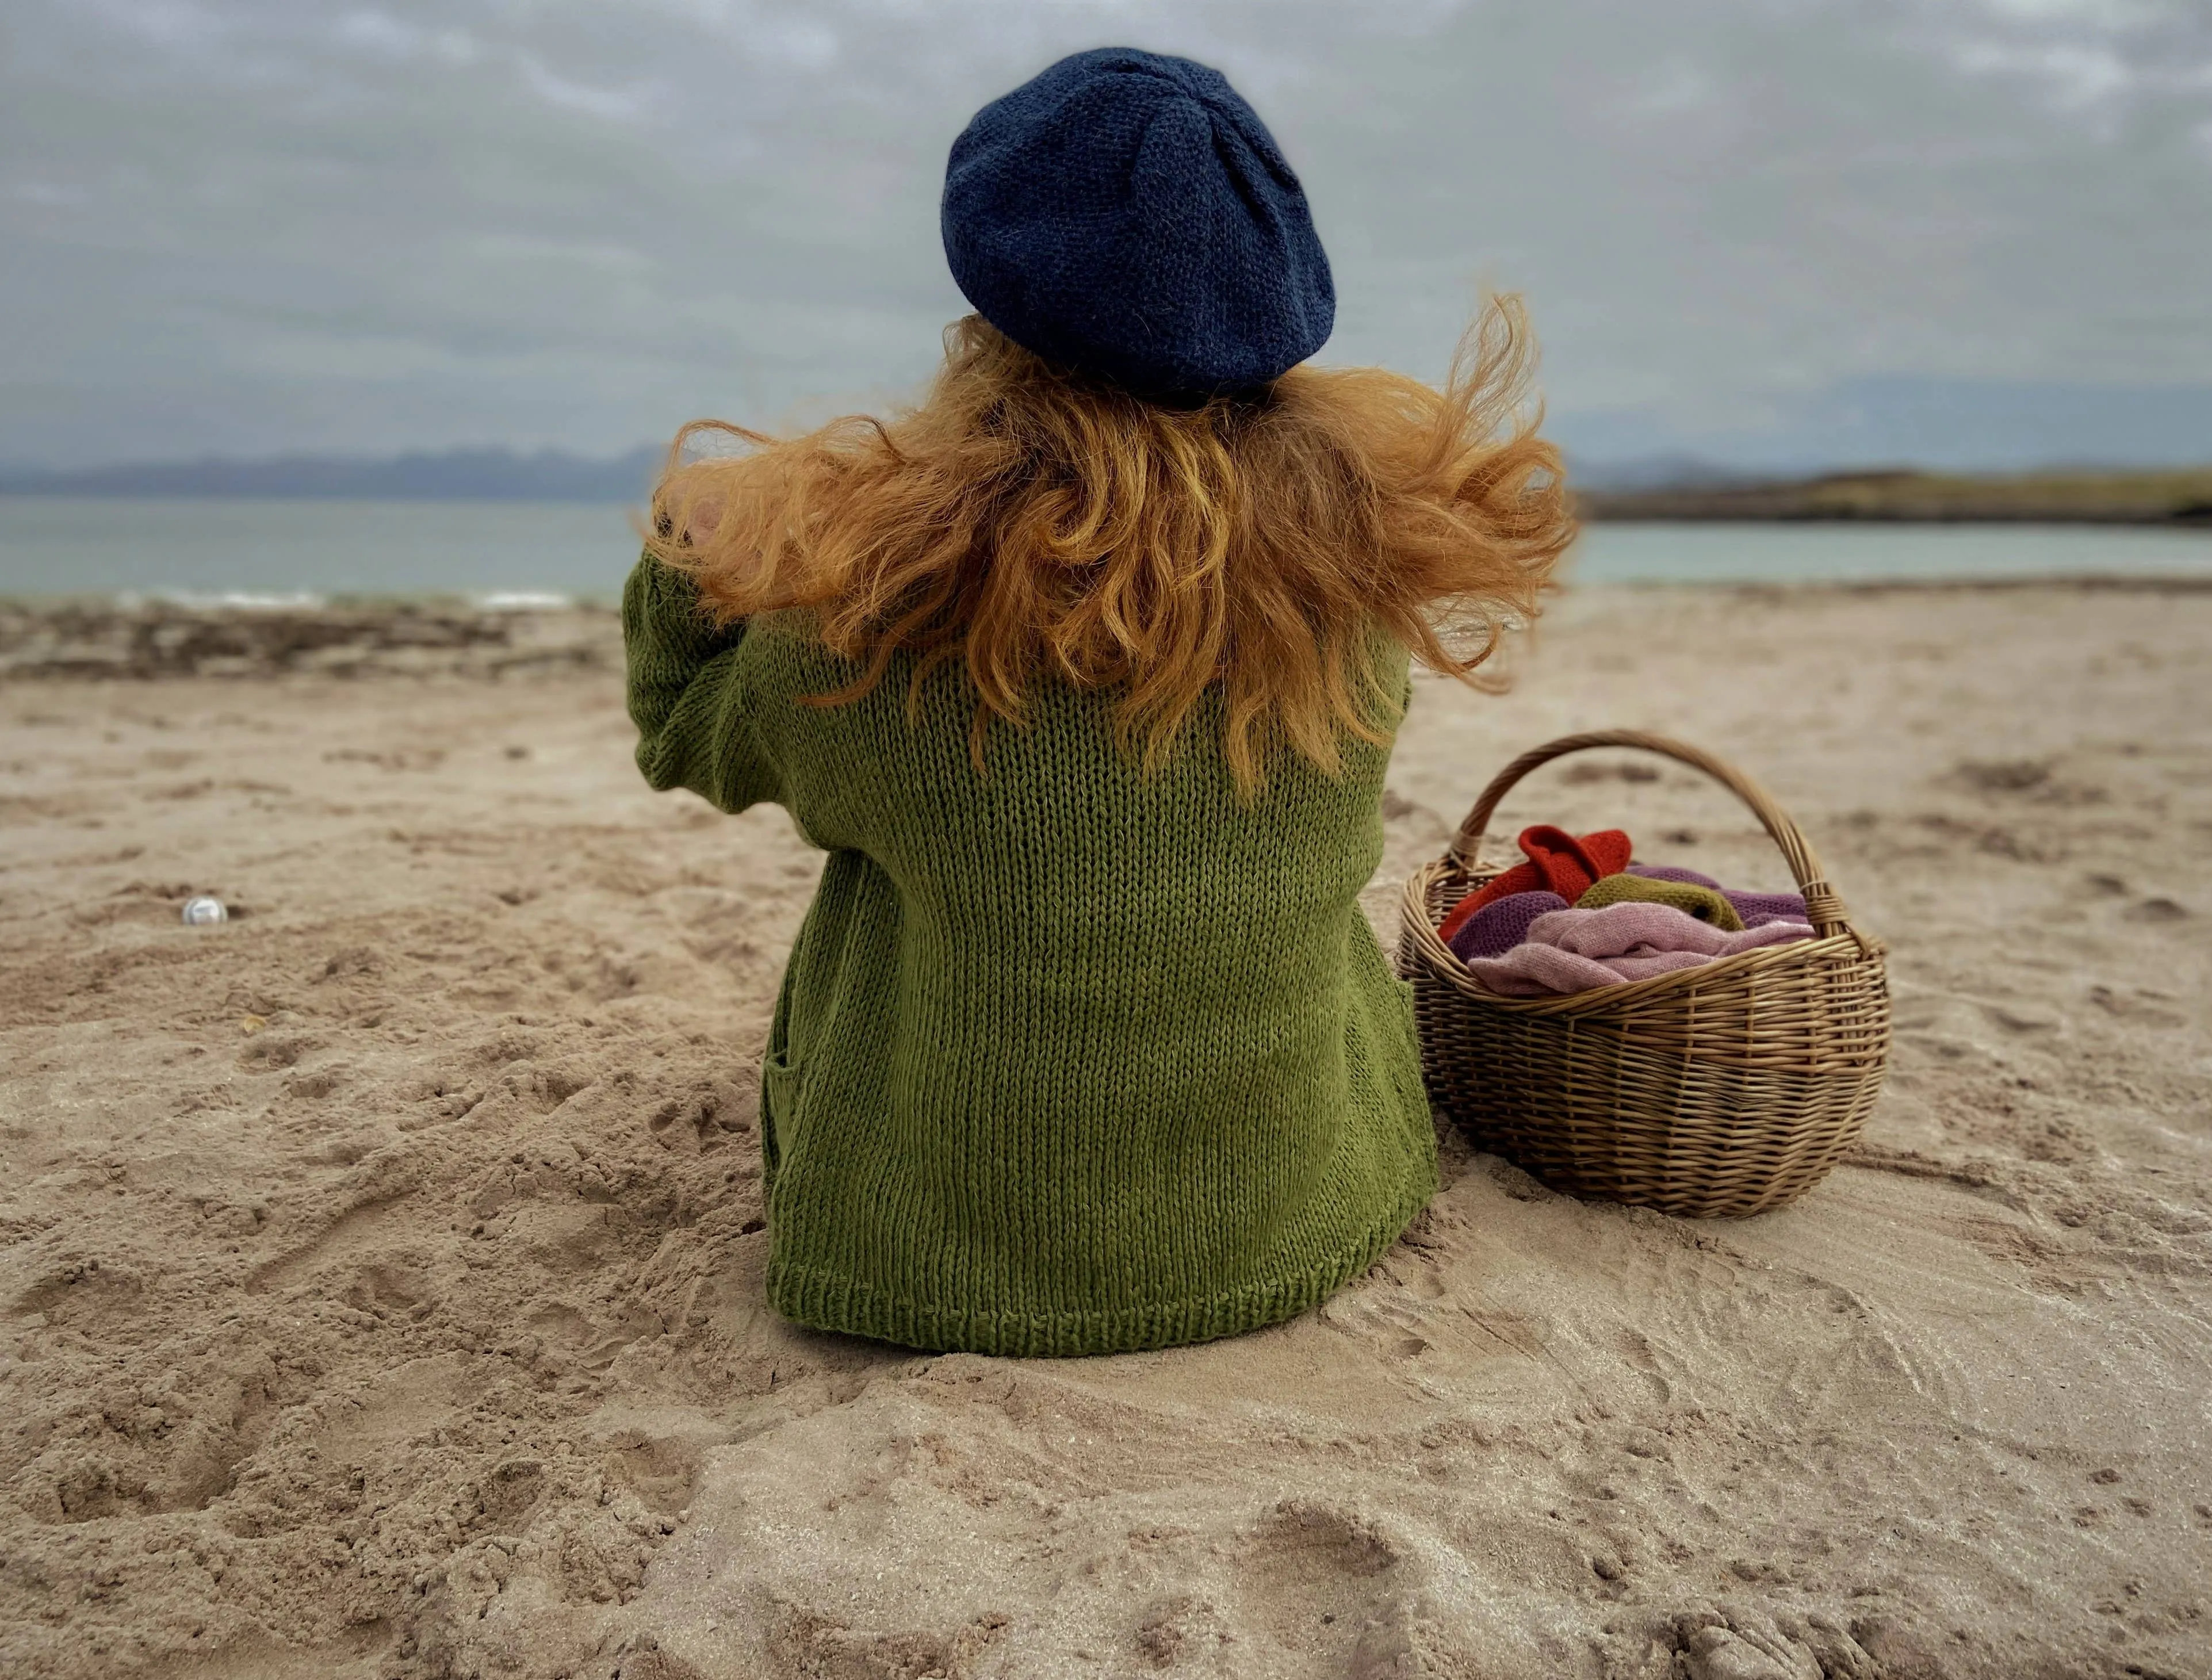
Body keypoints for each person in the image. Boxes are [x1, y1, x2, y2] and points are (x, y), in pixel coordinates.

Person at [622, 47, 1573, 1356]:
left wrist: (687, 542)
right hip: (1295, 1203)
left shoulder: (869, 626)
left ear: (989, 308)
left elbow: (685, 736)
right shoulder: (1350, 584)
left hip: (951, 1248)